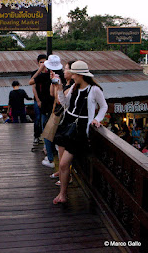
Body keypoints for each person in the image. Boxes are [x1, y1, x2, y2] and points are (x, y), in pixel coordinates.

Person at [52, 60, 108, 204]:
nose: (71, 75)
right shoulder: (74, 87)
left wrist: (97, 119)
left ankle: (63, 194)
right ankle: (62, 194)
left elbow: (103, 106)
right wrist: (59, 88)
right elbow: (65, 104)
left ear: (79, 75)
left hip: (80, 130)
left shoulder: (94, 90)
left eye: (73, 73)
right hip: (68, 125)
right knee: (63, 162)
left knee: (64, 164)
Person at [29, 54, 63, 168]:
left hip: (47, 108)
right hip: (61, 109)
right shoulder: (62, 75)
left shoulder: (44, 76)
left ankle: (50, 159)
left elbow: (31, 82)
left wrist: (39, 70)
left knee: (47, 133)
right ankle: (59, 159)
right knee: (58, 133)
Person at [49, 60, 75, 182]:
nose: (64, 71)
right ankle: (62, 172)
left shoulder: (72, 87)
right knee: (59, 147)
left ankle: (66, 174)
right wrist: (55, 84)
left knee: (62, 149)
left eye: (66, 69)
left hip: (66, 120)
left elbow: (60, 101)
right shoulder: (66, 84)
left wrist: (58, 86)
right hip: (62, 117)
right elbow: (54, 95)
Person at [31, 54, 47, 147]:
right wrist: (37, 100)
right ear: (38, 63)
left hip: (46, 100)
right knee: (37, 118)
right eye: (41, 62)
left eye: (44, 62)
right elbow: (33, 87)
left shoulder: (49, 73)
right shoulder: (35, 73)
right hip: (38, 99)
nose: (43, 64)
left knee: (45, 119)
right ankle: (36, 136)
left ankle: (44, 137)